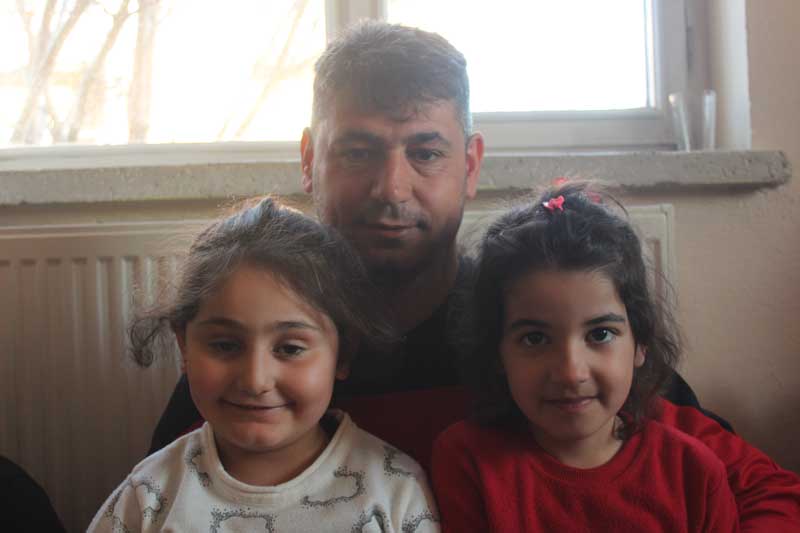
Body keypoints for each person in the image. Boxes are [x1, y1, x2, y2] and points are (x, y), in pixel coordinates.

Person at [148, 20, 800, 528]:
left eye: (425, 152)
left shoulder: (539, 323)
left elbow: (764, 488)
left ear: (470, 163)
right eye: (358, 151)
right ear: (309, 160)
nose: (391, 187)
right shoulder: (252, 353)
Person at [88, 198, 439, 532]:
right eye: (225, 345)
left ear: (343, 354)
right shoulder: (148, 495)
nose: (255, 380)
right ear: (184, 346)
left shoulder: (395, 490)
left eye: (290, 349)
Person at [431, 183, 740, 532]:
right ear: (497, 353)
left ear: (640, 343)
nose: (571, 372)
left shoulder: (694, 473)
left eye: (600, 334)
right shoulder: (468, 462)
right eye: (535, 338)